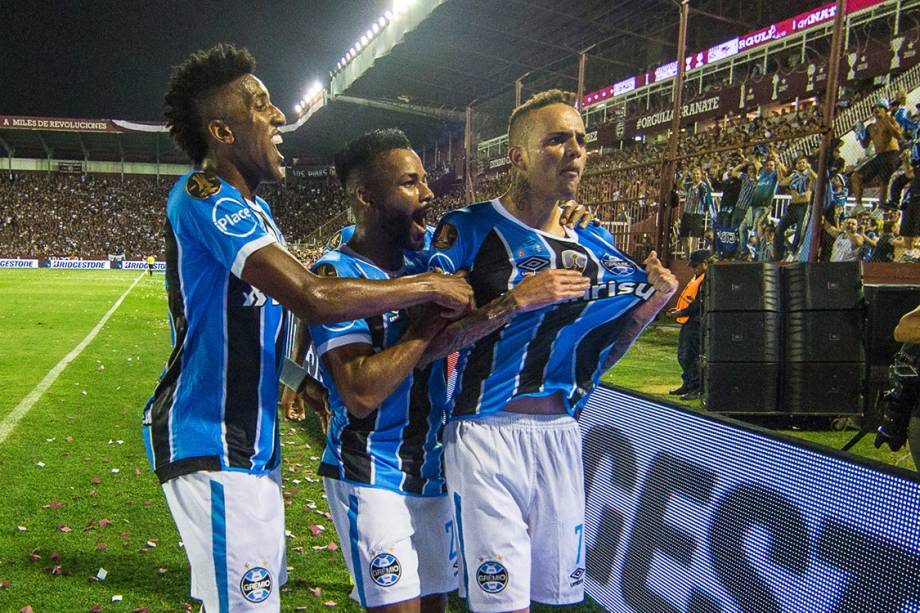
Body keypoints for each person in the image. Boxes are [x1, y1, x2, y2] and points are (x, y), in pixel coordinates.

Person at [142, 44, 473, 613]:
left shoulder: (255, 213)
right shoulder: (206, 198)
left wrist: (303, 381)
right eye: (261, 106)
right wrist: (430, 287)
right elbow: (315, 299)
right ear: (221, 130)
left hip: (248, 447)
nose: (279, 118)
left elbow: (266, 323)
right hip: (210, 437)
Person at [309, 129, 592, 613]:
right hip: (369, 467)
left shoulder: (426, 263)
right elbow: (359, 391)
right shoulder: (336, 275)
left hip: (432, 468)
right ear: (366, 197)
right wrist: (431, 317)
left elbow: (510, 263)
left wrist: (560, 227)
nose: (428, 194)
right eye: (410, 183)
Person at [426, 90, 677, 612]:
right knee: (501, 605)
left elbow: (600, 357)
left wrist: (653, 303)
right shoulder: (468, 228)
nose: (575, 150)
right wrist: (513, 302)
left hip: (563, 438)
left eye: (581, 140)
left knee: (554, 602)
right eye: (557, 139)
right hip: (485, 435)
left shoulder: (596, 244)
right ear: (517, 155)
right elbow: (428, 346)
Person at [667, 249, 710, 400]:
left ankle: (696, 388)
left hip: (697, 322)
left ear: (705, 263)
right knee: (683, 355)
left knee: (691, 356)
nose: (693, 268)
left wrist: (681, 312)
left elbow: (699, 304)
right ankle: (688, 383)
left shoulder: (707, 279)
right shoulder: (697, 277)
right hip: (689, 321)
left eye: (696, 265)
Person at [850, 100, 904, 209]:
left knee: (884, 179)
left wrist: (888, 124)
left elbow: (899, 136)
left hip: (892, 154)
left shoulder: (891, 121)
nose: (877, 109)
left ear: (886, 110)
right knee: (855, 176)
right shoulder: (870, 127)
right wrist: (859, 133)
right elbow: (865, 145)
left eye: (880, 107)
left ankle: (882, 205)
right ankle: (858, 205)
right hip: (879, 156)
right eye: (875, 108)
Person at [775, 156, 817, 260]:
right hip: (793, 206)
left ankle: (794, 253)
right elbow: (781, 182)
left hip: (803, 207)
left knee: (800, 232)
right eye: (799, 163)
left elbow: (816, 179)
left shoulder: (809, 175)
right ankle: (780, 254)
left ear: (807, 164)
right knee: (779, 229)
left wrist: (810, 169)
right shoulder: (794, 175)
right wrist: (778, 168)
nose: (801, 164)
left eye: (803, 162)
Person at [679, 167, 715, 255]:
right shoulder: (689, 185)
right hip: (687, 213)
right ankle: (688, 254)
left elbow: (709, 192)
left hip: (697, 214)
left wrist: (707, 182)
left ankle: (693, 254)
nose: (696, 176)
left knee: (695, 236)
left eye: (698, 174)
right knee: (683, 235)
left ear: (701, 175)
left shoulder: (702, 185)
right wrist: (683, 176)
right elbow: (680, 184)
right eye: (694, 174)